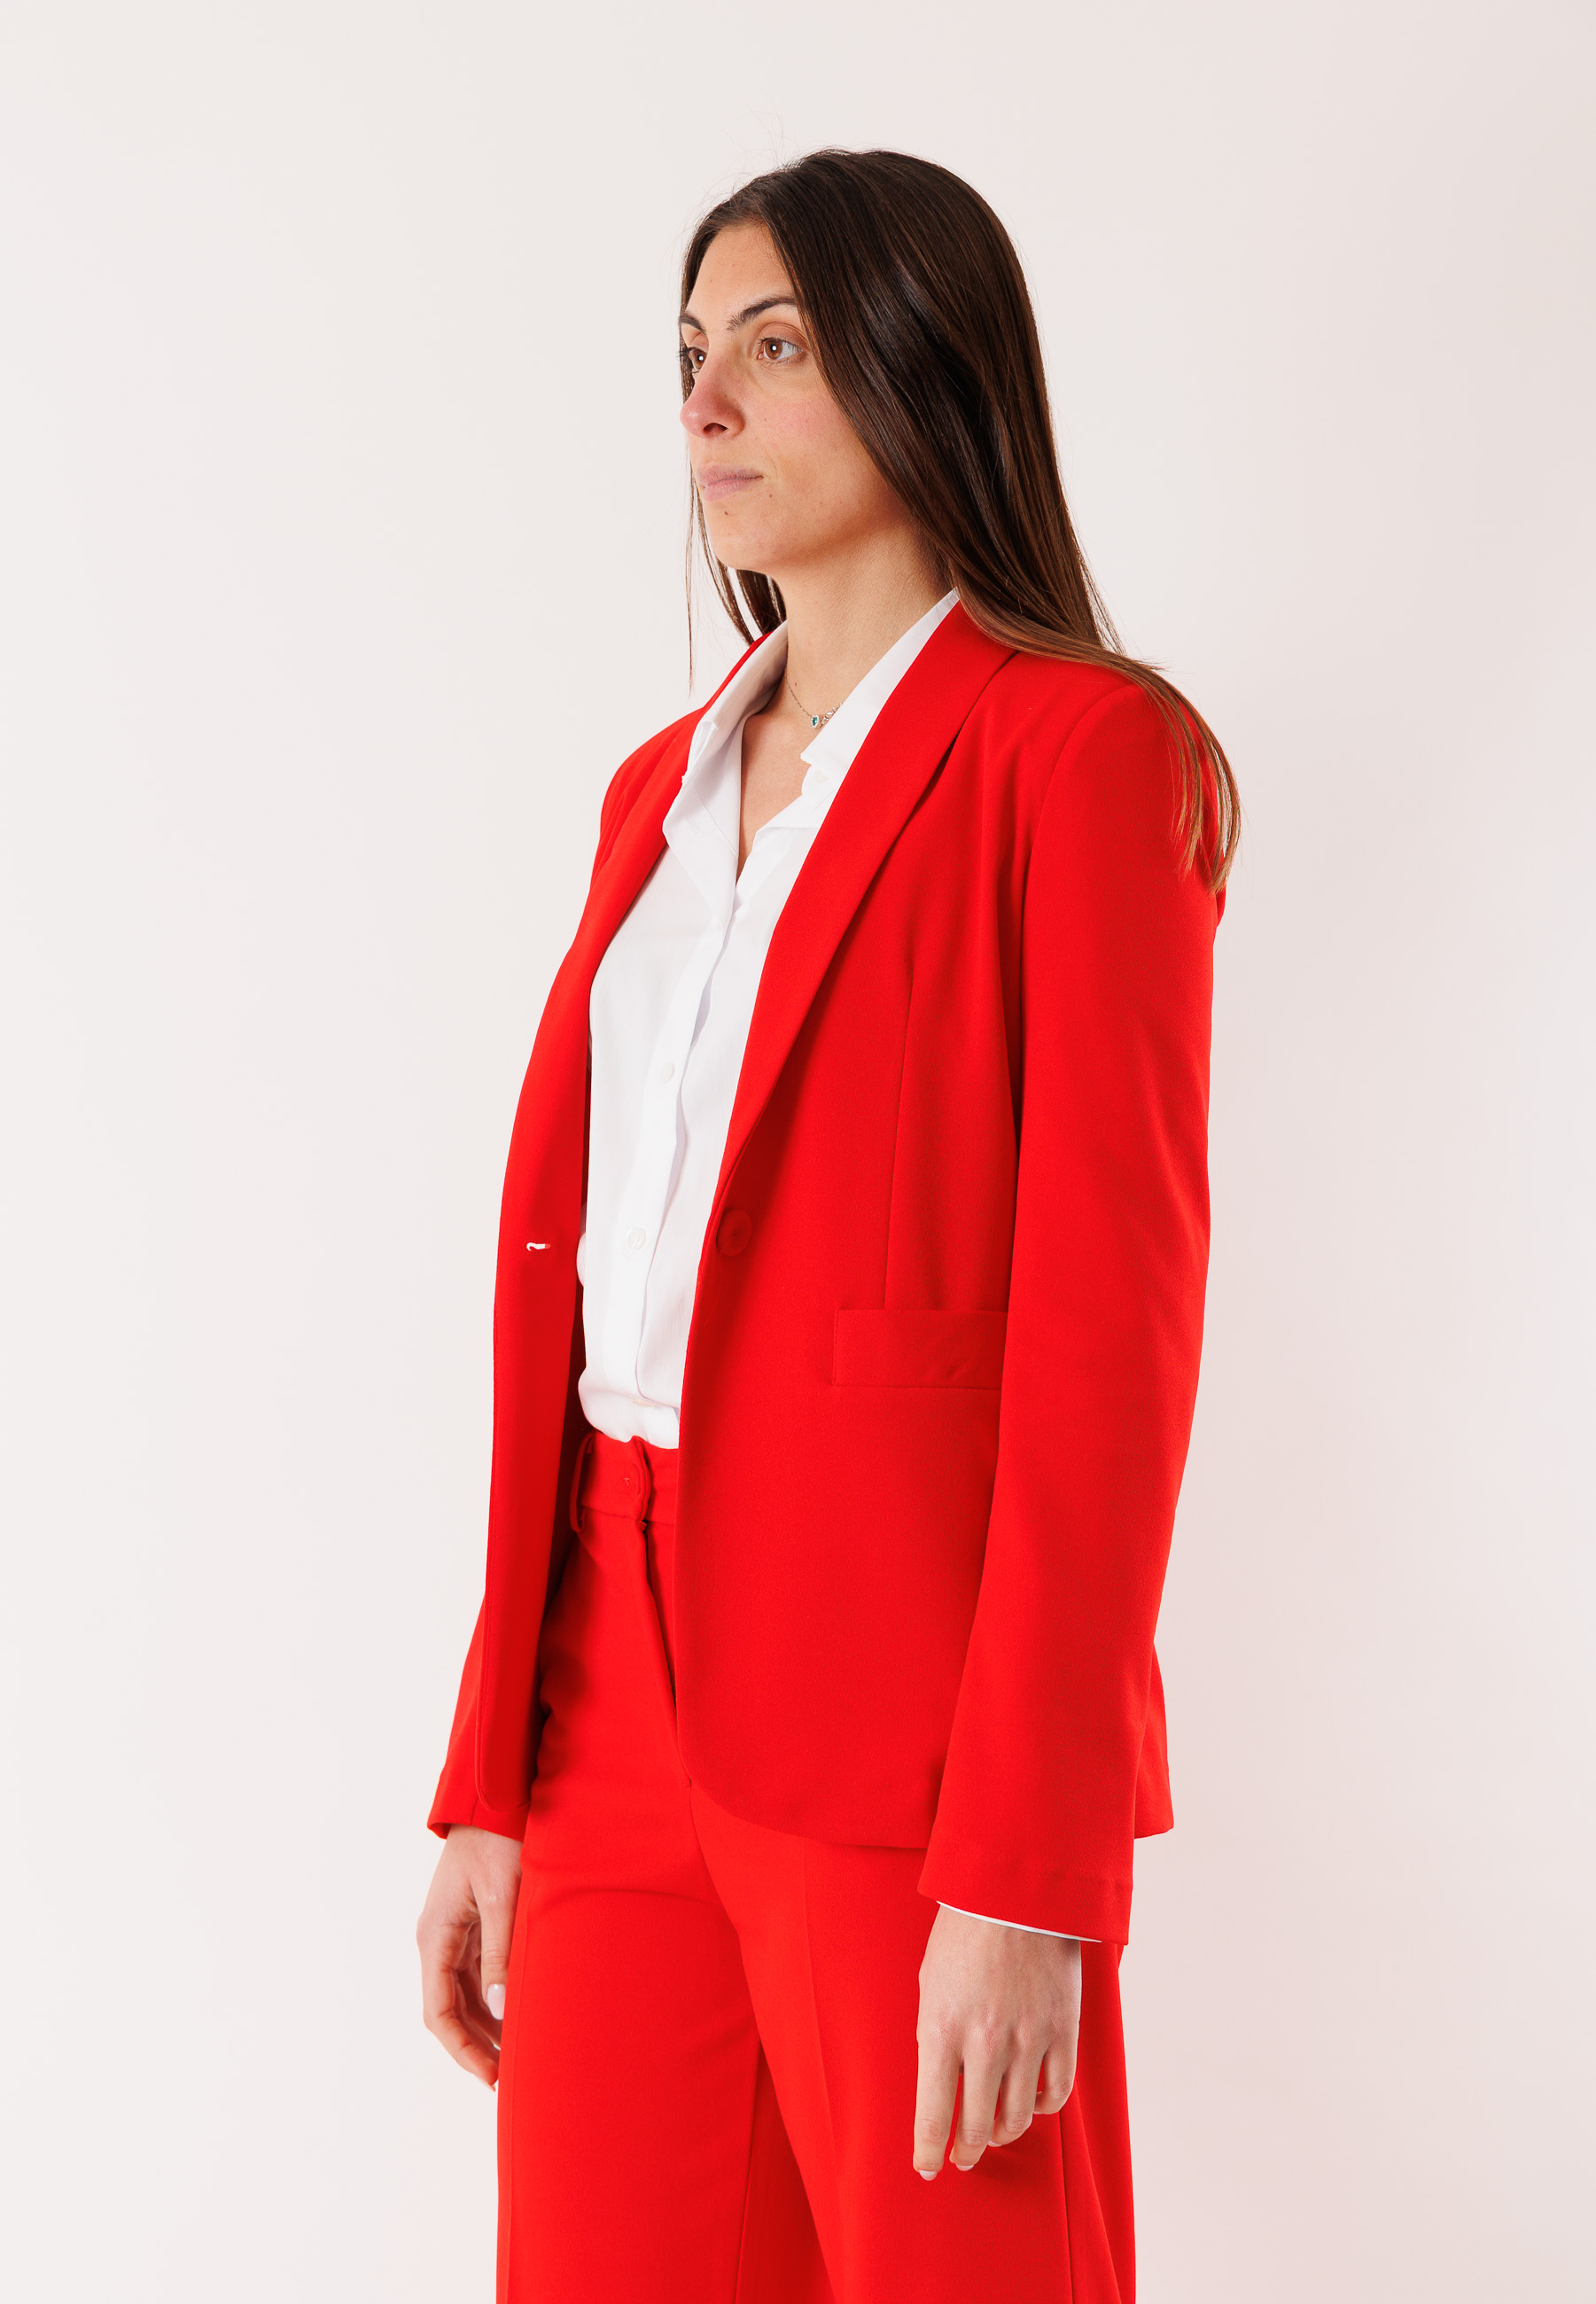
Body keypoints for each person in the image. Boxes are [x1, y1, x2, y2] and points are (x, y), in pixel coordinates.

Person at [416, 146, 1238, 2303]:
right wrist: (495, 1772)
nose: (704, 402)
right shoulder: (655, 790)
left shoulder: (1083, 756)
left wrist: (1031, 1864)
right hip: (606, 1691)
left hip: (907, 1711)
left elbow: (1108, 1338)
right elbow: (587, 1290)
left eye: (772, 347)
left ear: (920, 365)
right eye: (691, 352)